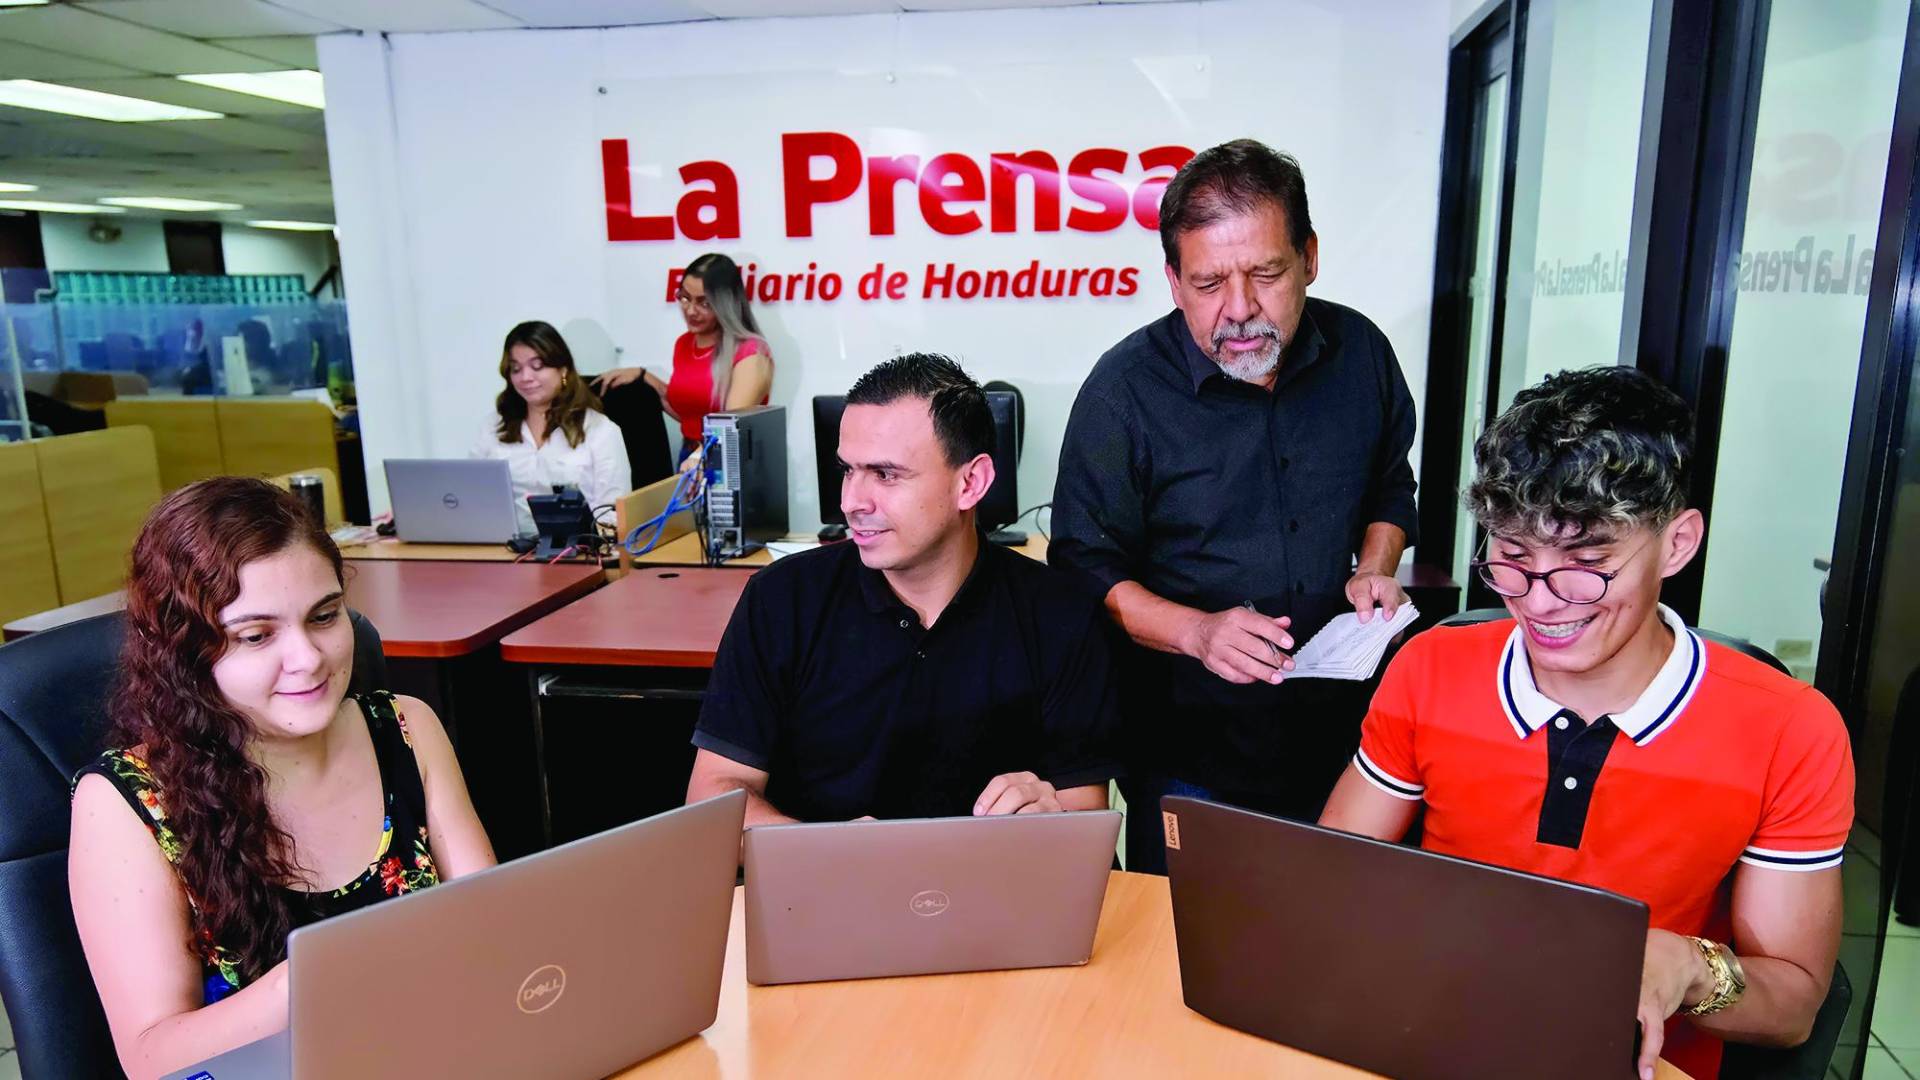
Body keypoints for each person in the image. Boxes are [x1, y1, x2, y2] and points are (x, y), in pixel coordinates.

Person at [1319, 367, 1853, 1080]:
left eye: (1587, 561)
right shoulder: (1431, 667)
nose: (1541, 600)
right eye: (1511, 556)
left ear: (1679, 544)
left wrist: (1690, 969)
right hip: (1429, 1037)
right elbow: (1326, 884)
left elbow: (1794, 1007)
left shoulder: (1792, 728)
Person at [1049, 138, 1419, 873]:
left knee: (1346, 943)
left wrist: (1375, 566)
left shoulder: (1361, 352)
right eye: (1210, 282)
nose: (1241, 309)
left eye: (1267, 274)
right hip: (1193, 748)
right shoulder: (1122, 393)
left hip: (1348, 740)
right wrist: (1196, 633)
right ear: (1174, 281)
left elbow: (1389, 481)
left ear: (1310, 257)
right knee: (1189, 962)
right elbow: (1082, 569)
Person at [68, 477, 495, 1078]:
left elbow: (498, 929)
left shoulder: (406, 728)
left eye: (324, 617)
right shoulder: (125, 802)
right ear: (187, 651)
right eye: (257, 635)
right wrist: (327, 969)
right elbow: (150, 1055)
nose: (309, 658)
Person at [686, 353, 1121, 826]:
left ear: (971, 482)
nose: (851, 502)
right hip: (822, 892)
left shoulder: (1061, 614)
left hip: (992, 889)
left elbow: (1084, 809)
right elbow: (714, 794)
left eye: (886, 474)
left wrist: (1049, 814)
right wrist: (828, 854)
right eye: (848, 470)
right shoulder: (780, 600)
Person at [592, 253, 774, 468]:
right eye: (685, 297)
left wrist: (698, 459)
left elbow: (728, 430)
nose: (690, 310)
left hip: (729, 466)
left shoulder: (751, 353)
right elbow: (689, 414)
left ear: (726, 304)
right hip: (691, 455)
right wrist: (643, 377)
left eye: (704, 303)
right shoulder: (685, 344)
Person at [472, 320, 631, 536]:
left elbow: (614, 516)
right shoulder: (493, 427)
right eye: (516, 368)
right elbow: (473, 498)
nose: (526, 377)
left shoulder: (600, 431)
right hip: (507, 550)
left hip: (577, 554)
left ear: (563, 369)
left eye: (537, 366)